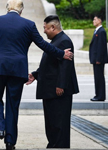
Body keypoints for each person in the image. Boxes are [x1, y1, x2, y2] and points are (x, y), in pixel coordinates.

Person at [0, 0, 73, 150]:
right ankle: (10, 142)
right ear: (21, 11)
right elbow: (42, 44)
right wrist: (61, 54)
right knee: (12, 105)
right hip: (17, 70)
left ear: (7, 8)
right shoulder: (28, 24)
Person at [26, 15, 79, 148]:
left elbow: (65, 66)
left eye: (45, 28)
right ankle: (53, 144)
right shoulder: (56, 40)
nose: (44, 31)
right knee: (51, 121)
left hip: (58, 90)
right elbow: (50, 64)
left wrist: (61, 85)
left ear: (53, 27)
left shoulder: (64, 41)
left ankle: (59, 145)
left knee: (59, 121)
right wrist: (35, 74)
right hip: (50, 89)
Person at [89, 15, 108, 101]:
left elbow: (101, 46)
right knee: (97, 78)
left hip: (98, 60)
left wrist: (98, 59)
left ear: (100, 21)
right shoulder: (97, 31)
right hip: (96, 59)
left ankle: (100, 96)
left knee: (99, 78)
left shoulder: (101, 31)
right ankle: (98, 95)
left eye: (95, 19)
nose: (93, 21)